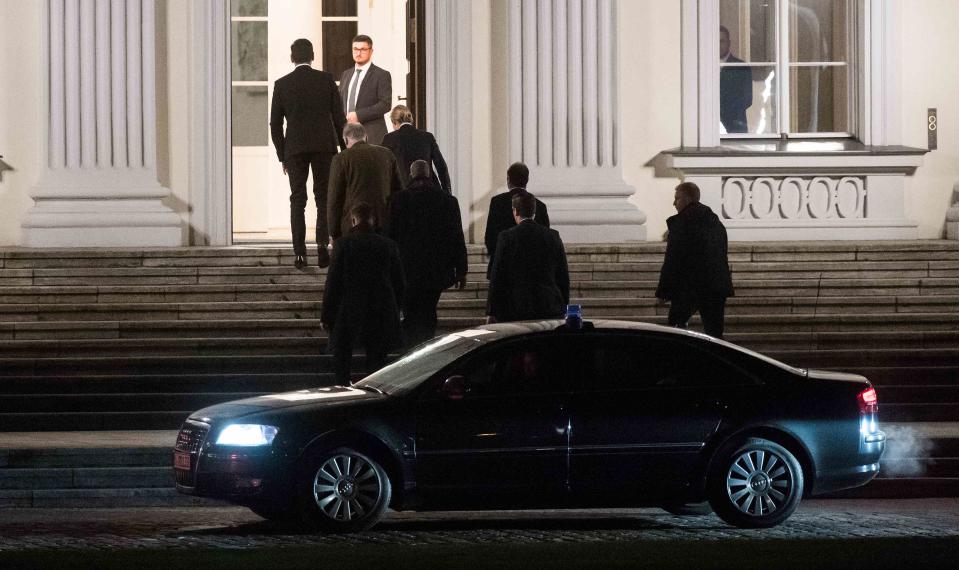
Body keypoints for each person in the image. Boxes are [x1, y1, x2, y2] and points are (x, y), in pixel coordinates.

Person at [270, 39, 347, 269]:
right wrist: (343, 151)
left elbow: (275, 125)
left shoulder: (282, 84)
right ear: (312, 56)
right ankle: (323, 246)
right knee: (323, 197)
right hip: (324, 146)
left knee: (297, 199)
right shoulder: (326, 80)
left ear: (292, 57)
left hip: (295, 149)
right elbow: (338, 118)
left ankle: (300, 254)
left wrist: (282, 155)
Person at [321, 202, 405, 384]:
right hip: (380, 310)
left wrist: (326, 315)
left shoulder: (343, 244)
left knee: (343, 357)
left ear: (353, 221)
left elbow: (333, 283)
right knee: (377, 361)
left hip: (349, 310)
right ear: (373, 221)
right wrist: (397, 309)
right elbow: (399, 283)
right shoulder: (388, 245)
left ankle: (343, 390)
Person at [387, 160, 467, 347]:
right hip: (436, 270)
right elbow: (456, 235)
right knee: (429, 310)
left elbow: (390, 236)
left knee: (410, 311)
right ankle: (426, 345)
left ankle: (411, 348)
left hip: (407, 269)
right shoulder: (447, 201)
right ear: (430, 175)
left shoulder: (398, 200)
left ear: (411, 175)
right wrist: (461, 269)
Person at [655, 181, 734, 339]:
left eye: (677, 199)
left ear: (687, 200)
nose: (674, 203)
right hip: (715, 286)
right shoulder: (716, 224)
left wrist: (664, 291)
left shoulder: (682, 224)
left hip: (690, 286)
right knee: (715, 333)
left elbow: (673, 259)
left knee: (675, 328)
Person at [487, 192, 569, 323]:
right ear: (534, 212)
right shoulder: (553, 236)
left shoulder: (507, 237)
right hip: (548, 305)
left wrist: (492, 311)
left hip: (516, 306)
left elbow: (497, 275)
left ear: (515, 211)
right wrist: (565, 305)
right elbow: (563, 276)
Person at [327, 123, 402, 240]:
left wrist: (333, 231)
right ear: (366, 137)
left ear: (346, 140)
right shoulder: (387, 154)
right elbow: (398, 192)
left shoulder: (341, 159)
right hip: (383, 224)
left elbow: (334, 198)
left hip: (352, 227)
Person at [483, 162, 550, 277]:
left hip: (503, 266)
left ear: (508, 179)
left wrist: (495, 255)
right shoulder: (540, 205)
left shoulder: (497, 202)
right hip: (532, 268)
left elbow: (491, 235)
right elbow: (545, 237)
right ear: (527, 180)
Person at [381, 105, 452, 193]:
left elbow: (383, 168)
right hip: (429, 191)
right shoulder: (427, 137)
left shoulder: (389, 139)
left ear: (394, 122)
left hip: (402, 193)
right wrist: (447, 192)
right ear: (410, 120)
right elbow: (441, 166)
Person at [338, 35, 392, 145]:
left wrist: (358, 115)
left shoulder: (381, 75)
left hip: (372, 134)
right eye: (355, 49)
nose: (358, 53)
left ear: (371, 51)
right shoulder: (346, 74)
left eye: (363, 49)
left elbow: (385, 104)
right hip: (348, 136)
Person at [719, 25, 753, 134]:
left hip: (735, 126)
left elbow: (747, 99)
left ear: (729, 42)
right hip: (708, 127)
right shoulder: (704, 66)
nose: (718, 45)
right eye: (716, 41)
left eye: (722, 41)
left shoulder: (741, 66)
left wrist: (722, 111)